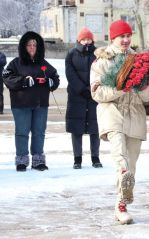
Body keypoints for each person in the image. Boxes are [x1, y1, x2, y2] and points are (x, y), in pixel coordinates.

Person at [90, 20, 149, 224]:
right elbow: (97, 93)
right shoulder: (102, 61)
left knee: (131, 165)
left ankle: (121, 204)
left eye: (128, 36)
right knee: (121, 159)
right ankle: (123, 184)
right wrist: (120, 88)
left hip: (135, 114)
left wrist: (142, 86)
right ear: (112, 38)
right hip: (112, 112)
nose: (125, 40)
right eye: (121, 37)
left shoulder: (139, 60)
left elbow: (147, 98)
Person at [2, 31, 60, 171]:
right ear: (24, 46)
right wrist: (23, 81)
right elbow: (7, 78)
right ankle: (21, 159)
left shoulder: (44, 64)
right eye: (29, 45)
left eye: (35, 45)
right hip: (21, 104)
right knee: (22, 132)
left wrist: (50, 82)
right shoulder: (15, 64)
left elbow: (55, 78)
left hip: (41, 104)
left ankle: (38, 160)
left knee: (39, 132)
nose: (32, 47)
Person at [65, 27, 102, 169]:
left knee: (95, 127)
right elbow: (70, 74)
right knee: (76, 128)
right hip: (76, 96)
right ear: (79, 40)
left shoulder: (97, 54)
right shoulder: (71, 54)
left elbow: (101, 72)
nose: (86, 42)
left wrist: (92, 89)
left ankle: (95, 157)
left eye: (89, 39)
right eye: (84, 39)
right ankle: (77, 158)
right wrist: (81, 89)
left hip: (94, 95)